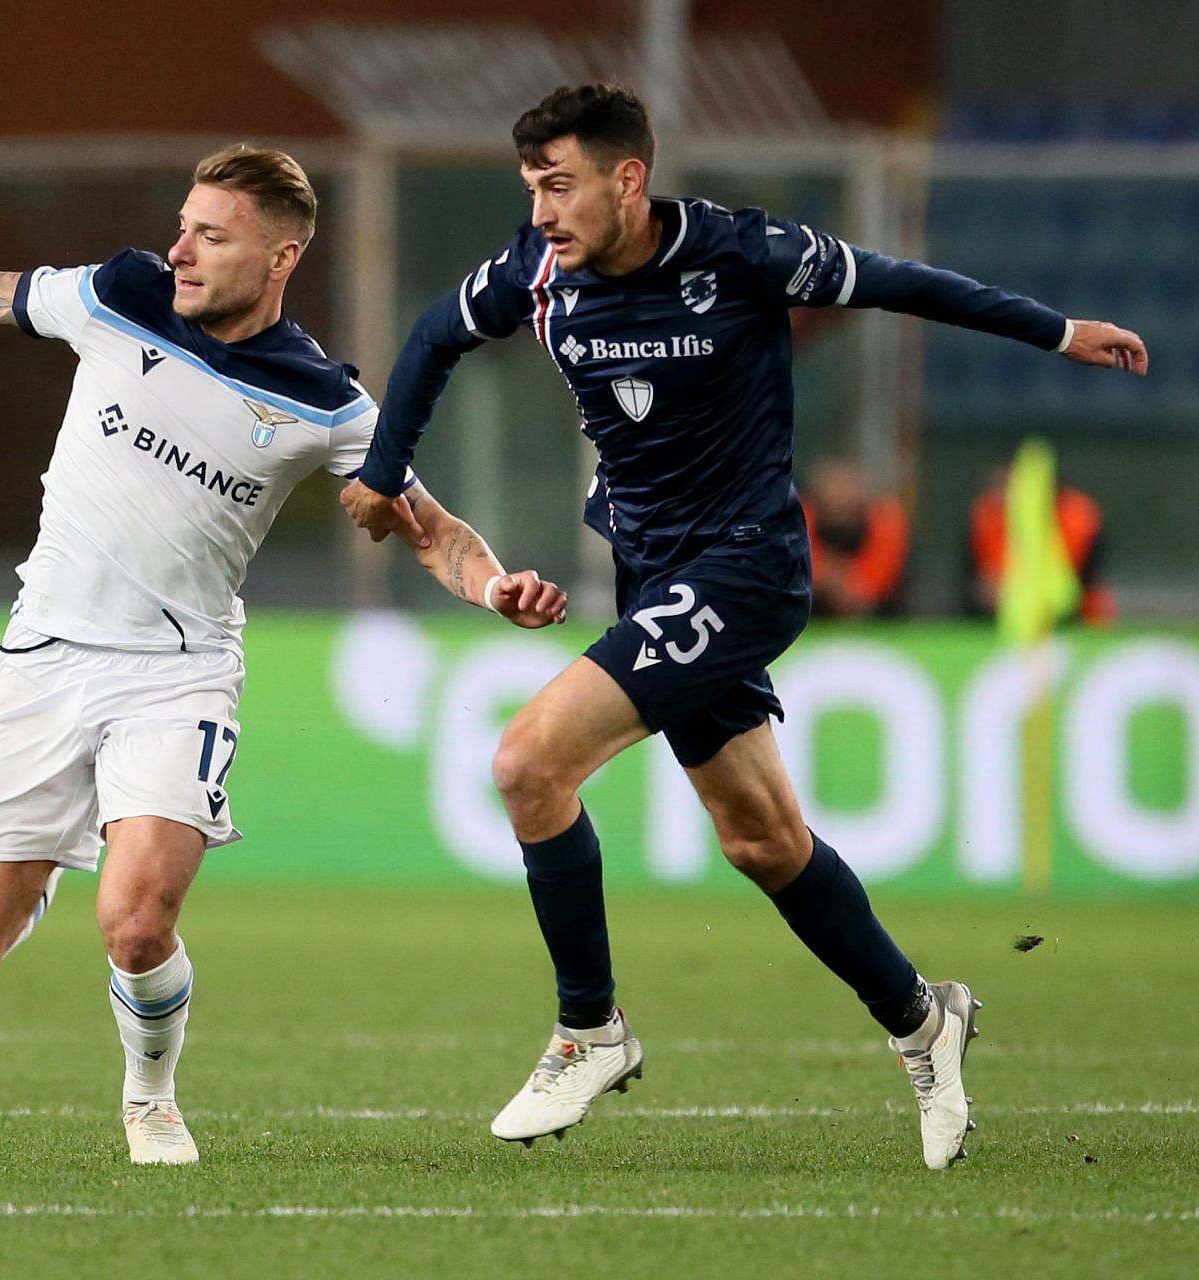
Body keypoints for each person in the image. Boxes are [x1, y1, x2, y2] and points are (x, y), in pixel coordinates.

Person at [0, 145, 564, 1166]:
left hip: (179, 672)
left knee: (139, 921)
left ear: (282, 255)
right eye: (184, 225)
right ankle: (57, 855)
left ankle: (149, 1093)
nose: (182, 250)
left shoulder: (323, 399)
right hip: (45, 655)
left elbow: (424, 526)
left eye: (212, 234)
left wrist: (495, 581)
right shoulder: (117, 294)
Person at [341, 83, 1148, 1170]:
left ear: (630, 179)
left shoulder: (745, 253)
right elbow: (435, 335)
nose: (540, 212)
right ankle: (924, 1015)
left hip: (749, 566)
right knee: (762, 839)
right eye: (531, 187)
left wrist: (1056, 331)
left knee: (529, 762)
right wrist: (384, 477)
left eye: (561, 185)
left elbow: (904, 283)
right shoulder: (535, 275)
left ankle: (591, 1027)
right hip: (654, 578)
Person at [966, 463, 1115, 624]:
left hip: (1075, 618)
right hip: (1002, 620)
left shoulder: (1077, 517)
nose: (1000, 496)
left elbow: (1078, 583)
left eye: (1008, 487)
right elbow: (975, 581)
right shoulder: (987, 517)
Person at [801, 458, 910, 618]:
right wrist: (825, 574)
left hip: (884, 626)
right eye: (832, 507)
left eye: (849, 508)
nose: (841, 496)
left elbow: (870, 585)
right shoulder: (799, 518)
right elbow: (798, 562)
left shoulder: (886, 521)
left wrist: (846, 583)